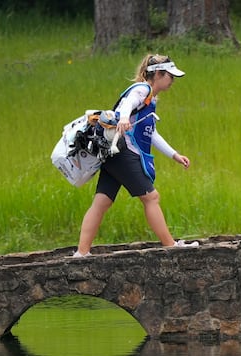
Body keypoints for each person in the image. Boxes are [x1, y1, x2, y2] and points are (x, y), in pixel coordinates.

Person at [74, 54, 197, 257]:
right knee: (151, 198)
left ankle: (82, 253)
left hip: (114, 154)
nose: (172, 81)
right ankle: (170, 246)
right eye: (170, 76)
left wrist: (174, 155)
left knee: (102, 201)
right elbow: (127, 104)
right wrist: (123, 119)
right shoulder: (142, 90)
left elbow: (152, 133)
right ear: (158, 74)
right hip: (123, 153)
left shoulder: (151, 100)